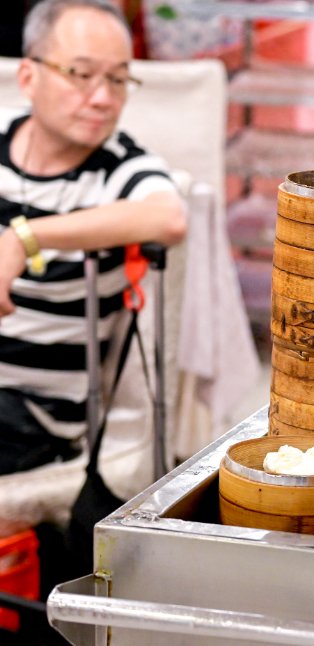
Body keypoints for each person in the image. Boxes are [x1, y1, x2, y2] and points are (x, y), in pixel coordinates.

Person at [0, 0, 186, 477]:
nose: (103, 98)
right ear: (28, 77)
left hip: (33, 410)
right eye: (81, 74)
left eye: (118, 79)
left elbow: (168, 218)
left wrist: (23, 239)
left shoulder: (120, 167)